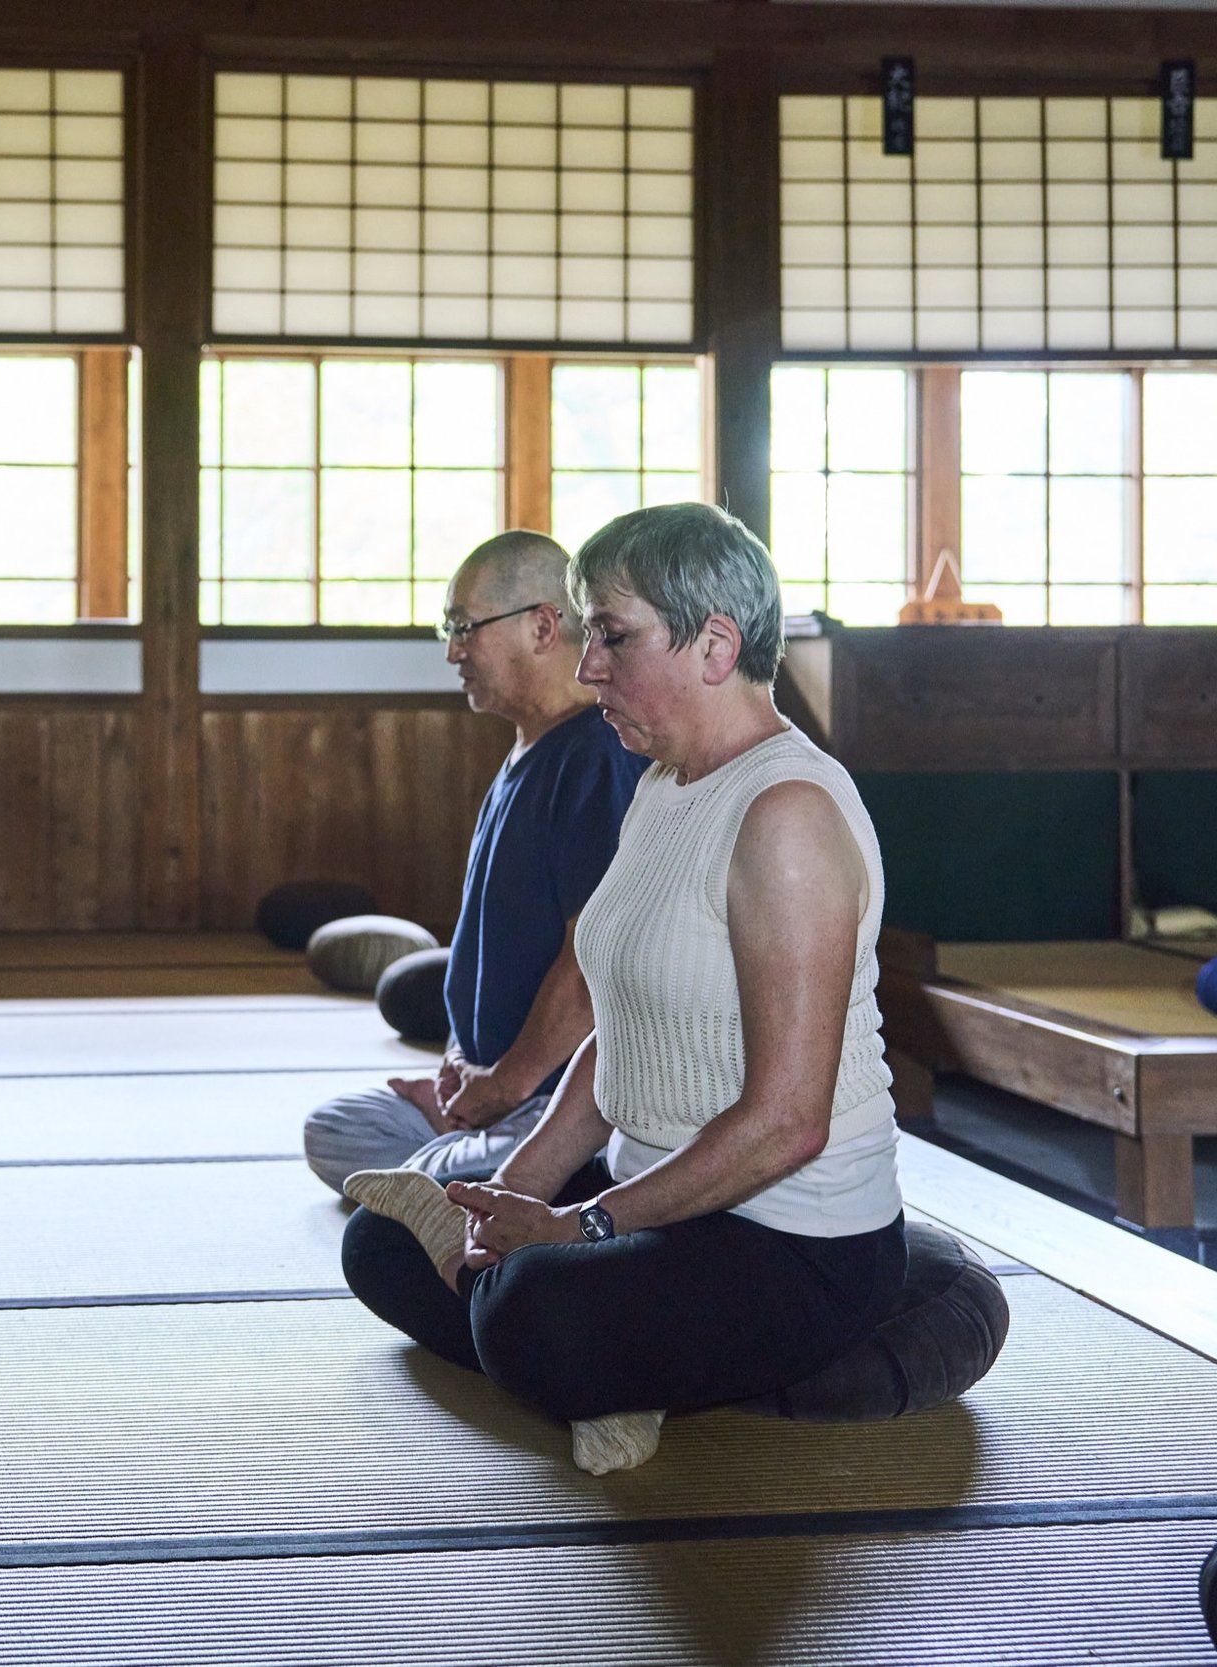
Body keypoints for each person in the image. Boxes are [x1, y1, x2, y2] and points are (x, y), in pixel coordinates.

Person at [341, 502, 908, 1476]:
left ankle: (599, 1361)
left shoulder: (786, 816)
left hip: (784, 1235)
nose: (587, 662)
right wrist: (515, 1185)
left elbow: (788, 1123)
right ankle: (611, 1364)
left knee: (532, 1313)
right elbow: (623, 1025)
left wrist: (576, 1226)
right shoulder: (662, 783)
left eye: (611, 633)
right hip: (650, 1185)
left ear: (714, 645)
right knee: (378, 1246)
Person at [301, 531, 645, 1194]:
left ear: (544, 625)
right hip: (492, 1099)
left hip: (563, 1108)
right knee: (337, 1127)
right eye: (448, 629)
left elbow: (591, 967)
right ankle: (469, 1171)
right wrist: (459, 1073)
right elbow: (487, 948)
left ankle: (507, 1177)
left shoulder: (595, 758)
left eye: (464, 627)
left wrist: (507, 1086)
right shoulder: (529, 749)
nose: (453, 650)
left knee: (426, 1174)